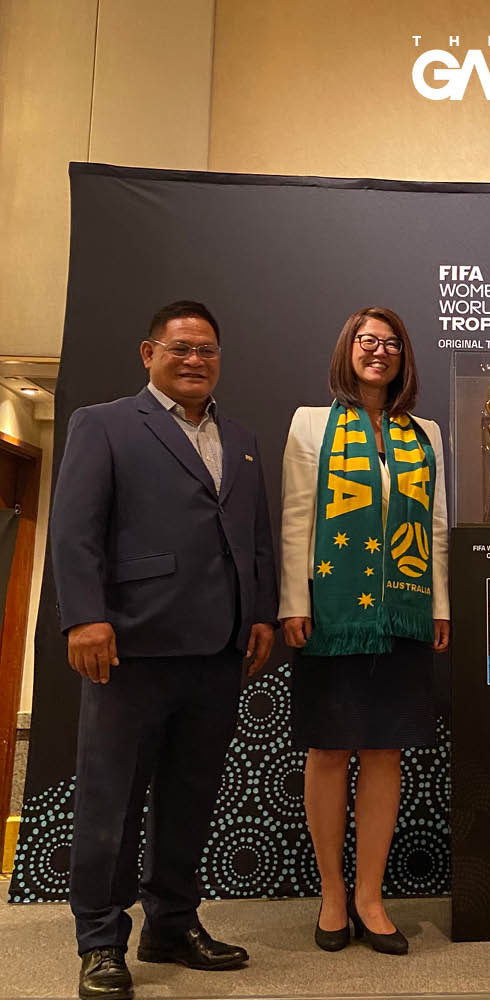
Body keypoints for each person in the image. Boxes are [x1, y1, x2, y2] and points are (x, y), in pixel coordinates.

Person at [50, 301, 278, 1000]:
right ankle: (100, 940)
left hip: (218, 651)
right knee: (111, 802)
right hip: (131, 648)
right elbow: (75, 529)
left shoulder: (238, 437)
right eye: (180, 348)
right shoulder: (106, 423)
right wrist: (85, 617)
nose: (194, 360)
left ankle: (172, 924)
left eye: (206, 350)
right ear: (149, 353)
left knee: (190, 797)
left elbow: (256, 536)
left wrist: (261, 614)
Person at [279, 306, 449, 956]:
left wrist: (439, 606)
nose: (378, 352)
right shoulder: (310, 425)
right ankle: (330, 893)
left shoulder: (423, 431)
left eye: (391, 344)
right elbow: (298, 515)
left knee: (384, 753)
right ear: (348, 349)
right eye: (367, 341)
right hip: (332, 614)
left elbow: (433, 525)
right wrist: (295, 599)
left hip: (403, 613)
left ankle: (370, 897)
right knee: (328, 750)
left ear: (404, 357)